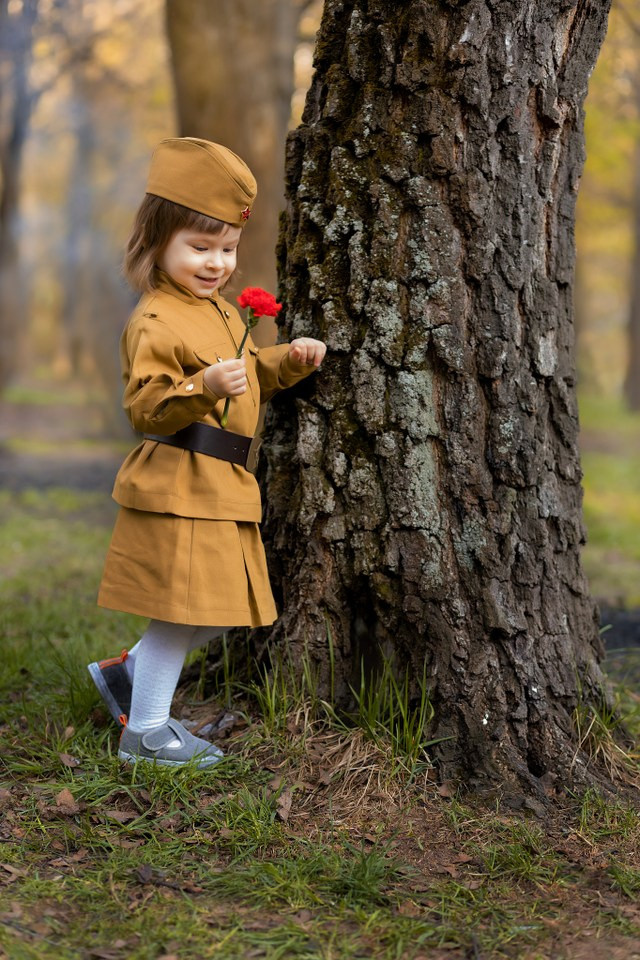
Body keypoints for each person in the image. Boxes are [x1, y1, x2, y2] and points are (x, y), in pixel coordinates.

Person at [88, 137, 326, 768]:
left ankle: (129, 674)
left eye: (227, 248)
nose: (217, 262)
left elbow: (246, 375)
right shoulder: (156, 320)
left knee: (221, 610)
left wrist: (286, 362)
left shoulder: (219, 313)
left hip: (222, 483)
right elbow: (146, 406)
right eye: (200, 247)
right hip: (180, 476)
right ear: (156, 241)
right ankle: (145, 733)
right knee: (179, 611)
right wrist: (201, 386)